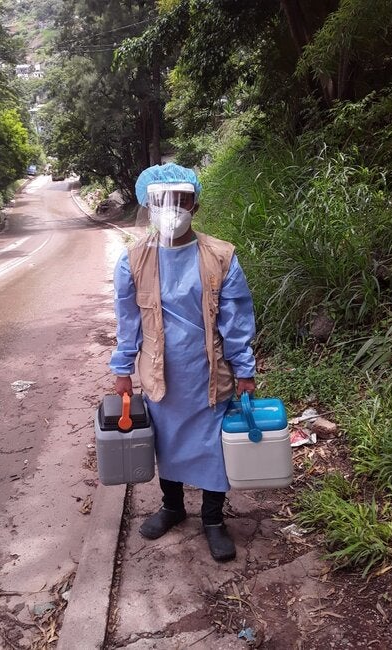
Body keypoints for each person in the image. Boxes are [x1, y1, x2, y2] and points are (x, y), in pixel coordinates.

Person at [109, 163, 256, 562]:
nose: (171, 208)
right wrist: (122, 369)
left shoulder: (221, 256)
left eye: (181, 199)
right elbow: (128, 322)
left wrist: (245, 369)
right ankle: (172, 507)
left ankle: (213, 519)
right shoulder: (133, 260)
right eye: (161, 200)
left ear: (196, 205)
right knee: (166, 442)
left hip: (209, 375)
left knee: (213, 447)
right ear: (148, 205)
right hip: (160, 375)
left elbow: (235, 320)